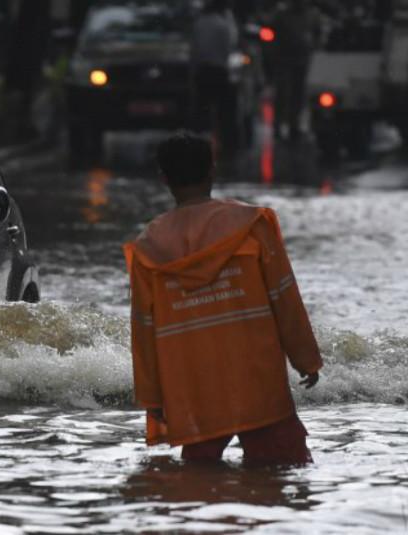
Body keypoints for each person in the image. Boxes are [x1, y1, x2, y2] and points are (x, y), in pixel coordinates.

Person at [123, 133, 323, 465]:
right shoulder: (251, 226)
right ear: (212, 171)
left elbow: (144, 328)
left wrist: (152, 395)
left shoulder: (149, 247)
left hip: (193, 385)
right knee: (285, 472)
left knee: (199, 486)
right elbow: (284, 298)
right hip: (257, 378)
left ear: (164, 179)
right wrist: (306, 359)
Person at [190, 0, 239, 149]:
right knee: (224, 109)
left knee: (202, 107)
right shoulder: (222, 25)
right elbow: (228, 48)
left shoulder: (199, 24)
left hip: (203, 71)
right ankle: (227, 141)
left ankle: (199, 139)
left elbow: (195, 50)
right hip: (219, 70)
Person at [272, 0, 322, 142]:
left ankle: (294, 125)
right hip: (285, 60)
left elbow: (318, 34)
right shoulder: (282, 15)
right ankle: (278, 125)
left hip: (303, 60)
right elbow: (273, 35)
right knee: (283, 93)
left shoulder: (312, 15)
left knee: (298, 95)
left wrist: (314, 48)